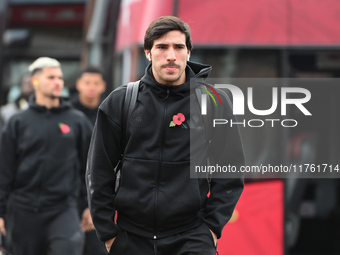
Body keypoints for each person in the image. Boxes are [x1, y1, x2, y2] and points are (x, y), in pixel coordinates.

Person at [86, 16, 245, 255]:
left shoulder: (213, 103)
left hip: (192, 237)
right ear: (148, 52)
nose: (171, 55)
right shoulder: (121, 102)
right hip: (131, 238)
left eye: (178, 47)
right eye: (161, 47)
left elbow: (230, 171)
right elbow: (99, 171)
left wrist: (211, 228)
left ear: (188, 52)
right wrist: (108, 234)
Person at [0, 57, 93, 255]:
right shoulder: (18, 122)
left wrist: (91, 205)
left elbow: (92, 167)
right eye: (51, 77)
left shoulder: (77, 121)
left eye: (60, 77)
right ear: (35, 81)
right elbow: (4, 170)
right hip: (23, 211)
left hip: (63, 208)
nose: (58, 82)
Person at [71, 67, 107, 255]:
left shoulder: (110, 113)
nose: (91, 87)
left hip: (98, 192)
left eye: (96, 83)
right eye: (87, 83)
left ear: (103, 86)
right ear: (78, 85)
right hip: (68, 194)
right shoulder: (67, 114)